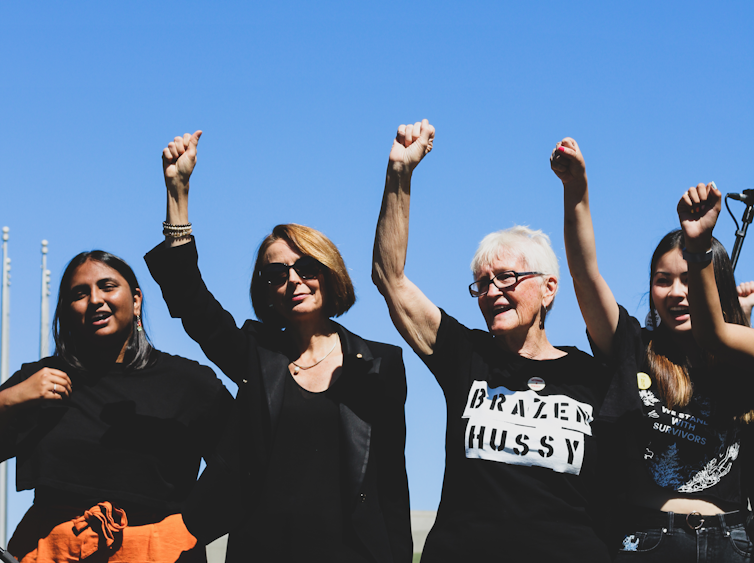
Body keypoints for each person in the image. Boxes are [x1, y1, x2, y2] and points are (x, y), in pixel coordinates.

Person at [144, 131, 412, 563]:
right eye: (276, 275)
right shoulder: (256, 354)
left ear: (330, 273)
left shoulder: (380, 363)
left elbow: (391, 483)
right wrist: (178, 193)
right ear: (266, 292)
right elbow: (191, 301)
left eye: (306, 266)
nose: (293, 280)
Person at [372, 120, 619, 561]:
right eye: (481, 284)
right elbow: (390, 279)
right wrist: (399, 173)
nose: (491, 292)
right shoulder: (465, 356)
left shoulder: (594, 374)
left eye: (506, 278)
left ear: (549, 287)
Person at [552, 137, 754, 562]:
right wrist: (577, 192)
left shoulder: (738, 359)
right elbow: (585, 276)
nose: (677, 293)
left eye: (688, 279)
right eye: (663, 280)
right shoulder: (632, 345)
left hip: (731, 540)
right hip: (649, 539)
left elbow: (718, 333)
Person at [0, 250, 232, 563]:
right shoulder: (38, 381)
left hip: (159, 552)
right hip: (52, 552)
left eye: (108, 287)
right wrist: (8, 399)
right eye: (80, 293)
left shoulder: (190, 382)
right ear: (67, 310)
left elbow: (245, 463)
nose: (95, 299)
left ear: (136, 300)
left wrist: (191, 527)